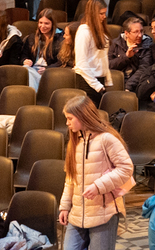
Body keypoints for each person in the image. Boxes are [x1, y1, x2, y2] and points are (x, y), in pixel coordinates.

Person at [58, 96, 134, 250]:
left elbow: (126, 168)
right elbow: (70, 178)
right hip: (77, 213)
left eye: (70, 118)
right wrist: (65, 206)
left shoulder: (106, 139)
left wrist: (98, 186)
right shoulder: (75, 141)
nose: (67, 123)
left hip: (104, 213)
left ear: (82, 116)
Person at [72, 0, 113, 106]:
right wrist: (96, 85)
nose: (104, 17)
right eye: (101, 14)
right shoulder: (84, 31)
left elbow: (103, 57)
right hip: (88, 81)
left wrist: (107, 79)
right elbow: (81, 63)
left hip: (98, 80)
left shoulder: (100, 30)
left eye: (105, 13)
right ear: (93, 14)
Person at [108, 16, 153, 85]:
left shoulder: (147, 45)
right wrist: (126, 57)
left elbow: (144, 68)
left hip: (136, 83)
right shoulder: (115, 44)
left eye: (141, 31)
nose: (140, 35)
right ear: (126, 33)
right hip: (116, 82)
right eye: (136, 32)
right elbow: (109, 65)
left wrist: (129, 86)